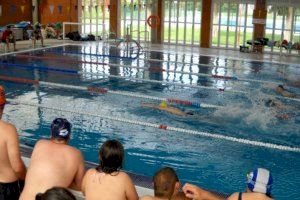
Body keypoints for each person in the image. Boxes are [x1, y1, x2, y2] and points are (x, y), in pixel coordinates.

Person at [19, 118, 85, 200]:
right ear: (69, 136)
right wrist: (66, 177)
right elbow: (81, 186)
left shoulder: (40, 144)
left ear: (51, 134)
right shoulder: (76, 154)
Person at [0, 85, 27, 200]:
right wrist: (27, 179)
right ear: (3, 106)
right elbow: (17, 168)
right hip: (6, 188)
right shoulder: (8, 130)